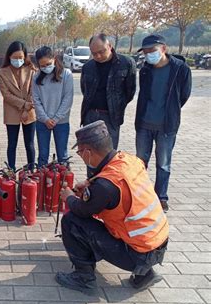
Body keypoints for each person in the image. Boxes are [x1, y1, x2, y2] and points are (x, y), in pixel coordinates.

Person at [56, 120, 169, 295]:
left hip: (138, 254)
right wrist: (89, 184)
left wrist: (69, 197)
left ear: (88, 152)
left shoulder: (105, 186)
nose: (80, 155)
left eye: (79, 152)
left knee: (72, 220)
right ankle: (145, 275)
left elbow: (82, 210)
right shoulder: (129, 160)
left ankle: (83, 278)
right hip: (157, 243)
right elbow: (113, 183)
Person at [135, 34, 192, 212]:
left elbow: (183, 95)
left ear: (163, 49)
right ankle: (141, 196)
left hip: (166, 126)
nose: (148, 55)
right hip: (144, 124)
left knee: (163, 164)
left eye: (152, 51)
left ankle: (161, 197)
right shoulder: (145, 70)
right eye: (145, 52)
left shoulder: (180, 69)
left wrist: (170, 111)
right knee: (140, 163)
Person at [80, 34, 136, 149]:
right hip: (90, 115)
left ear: (110, 46)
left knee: (109, 154)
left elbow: (130, 91)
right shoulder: (88, 67)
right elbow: (84, 90)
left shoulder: (126, 63)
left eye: (102, 51)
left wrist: (118, 105)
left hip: (111, 116)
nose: (98, 56)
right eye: (94, 53)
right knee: (91, 155)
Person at [0, 41, 36, 170]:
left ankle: (31, 170)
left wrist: (27, 107)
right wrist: (24, 105)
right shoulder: (2, 72)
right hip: (12, 112)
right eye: (15, 58)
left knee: (29, 143)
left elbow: (33, 90)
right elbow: (6, 95)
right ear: (9, 56)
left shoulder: (31, 70)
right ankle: (11, 170)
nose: (18, 60)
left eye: (21, 57)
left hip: (30, 111)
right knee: (12, 143)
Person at [33, 46, 74, 165]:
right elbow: (36, 100)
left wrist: (55, 119)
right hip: (42, 122)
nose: (46, 68)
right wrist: (45, 119)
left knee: (63, 156)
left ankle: (63, 183)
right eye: (42, 66)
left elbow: (68, 99)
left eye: (48, 64)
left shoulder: (66, 74)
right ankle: (42, 182)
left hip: (61, 122)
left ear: (54, 59)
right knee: (42, 156)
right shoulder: (36, 77)